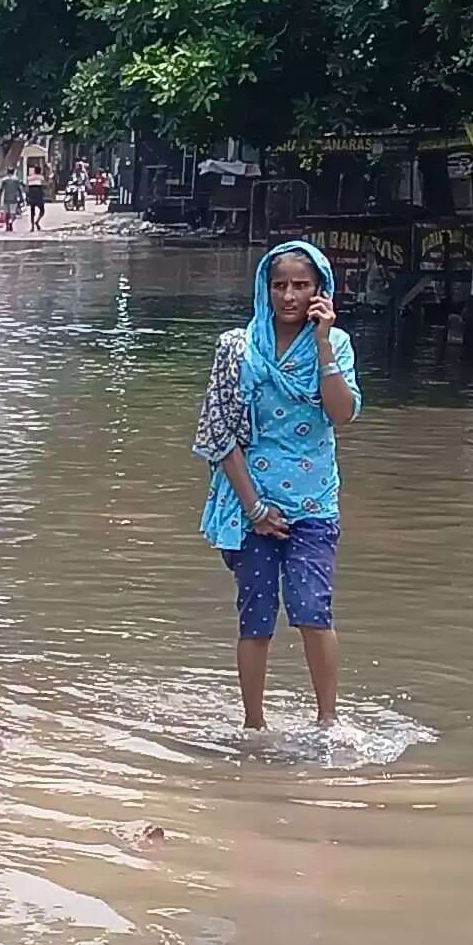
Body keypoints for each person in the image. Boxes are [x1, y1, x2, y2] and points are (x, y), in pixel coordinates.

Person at [193, 240, 361, 732]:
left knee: (313, 611)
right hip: (252, 505)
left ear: (320, 291)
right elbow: (219, 434)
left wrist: (325, 342)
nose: (289, 296)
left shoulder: (339, 345)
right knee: (256, 618)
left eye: (301, 285)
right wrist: (255, 508)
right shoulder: (237, 349)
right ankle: (254, 725)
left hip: (313, 504)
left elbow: (342, 414)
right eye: (280, 285)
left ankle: (328, 722)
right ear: (265, 290)